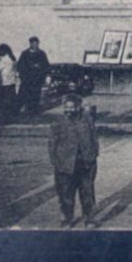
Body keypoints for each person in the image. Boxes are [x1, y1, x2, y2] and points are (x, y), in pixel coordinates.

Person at [48, 93, 100, 227]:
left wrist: (93, 156)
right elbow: (52, 143)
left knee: (87, 192)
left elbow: (94, 138)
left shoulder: (87, 119)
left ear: (78, 107)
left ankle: (89, 218)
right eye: (66, 107)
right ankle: (67, 218)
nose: (69, 110)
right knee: (66, 194)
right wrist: (56, 162)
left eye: (72, 107)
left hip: (85, 163)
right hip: (65, 164)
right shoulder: (58, 122)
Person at [16, 36, 50, 116]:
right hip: (27, 79)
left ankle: (34, 110)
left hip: (37, 79)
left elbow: (46, 65)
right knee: (25, 94)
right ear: (30, 44)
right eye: (34, 43)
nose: (36, 45)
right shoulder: (25, 54)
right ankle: (23, 110)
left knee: (36, 95)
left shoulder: (42, 53)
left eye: (37, 43)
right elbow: (20, 66)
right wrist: (26, 72)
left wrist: (40, 67)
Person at [0, 43, 20, 121]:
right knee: (11, 99)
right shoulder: (12, 59)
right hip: (12, 82)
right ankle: (13, 115)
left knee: (4, 100)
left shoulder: (4, 60)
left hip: (4, 82)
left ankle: (6, 117)